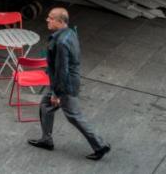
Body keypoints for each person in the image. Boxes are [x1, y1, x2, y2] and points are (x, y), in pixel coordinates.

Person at [28, 8, 110, 161]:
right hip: (66, 82)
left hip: (65, 85)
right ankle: (46, 139)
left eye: (51, 18)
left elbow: (62, 70)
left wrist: (57, 94)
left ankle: (100, 145)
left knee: (74, 116)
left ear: (60, 22)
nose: (47, 19)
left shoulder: (61, 42)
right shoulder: (69, 33)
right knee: (45, 106)